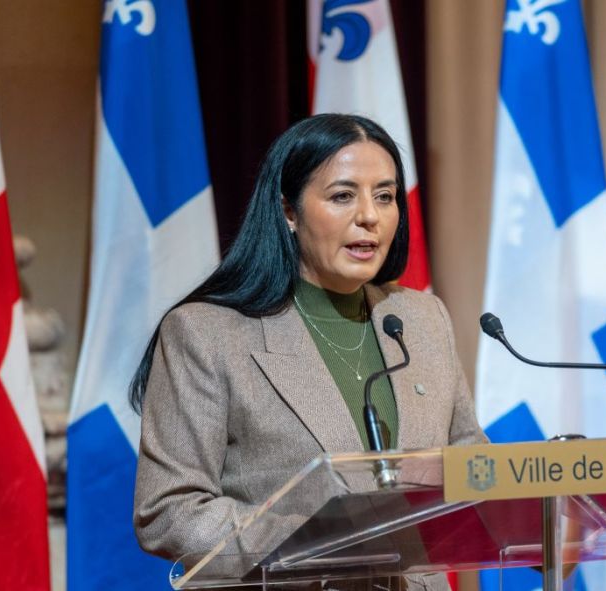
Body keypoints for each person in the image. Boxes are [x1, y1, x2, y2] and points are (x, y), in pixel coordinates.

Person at [130, 114, 486, 587]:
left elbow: (469, 458)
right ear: (288, 212)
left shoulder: (422, 320)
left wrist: (535, 488)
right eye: (343, 196)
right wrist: (322, 540)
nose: (370, 216)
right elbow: (169, 510)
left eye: (385, 196)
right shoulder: (207, 334)